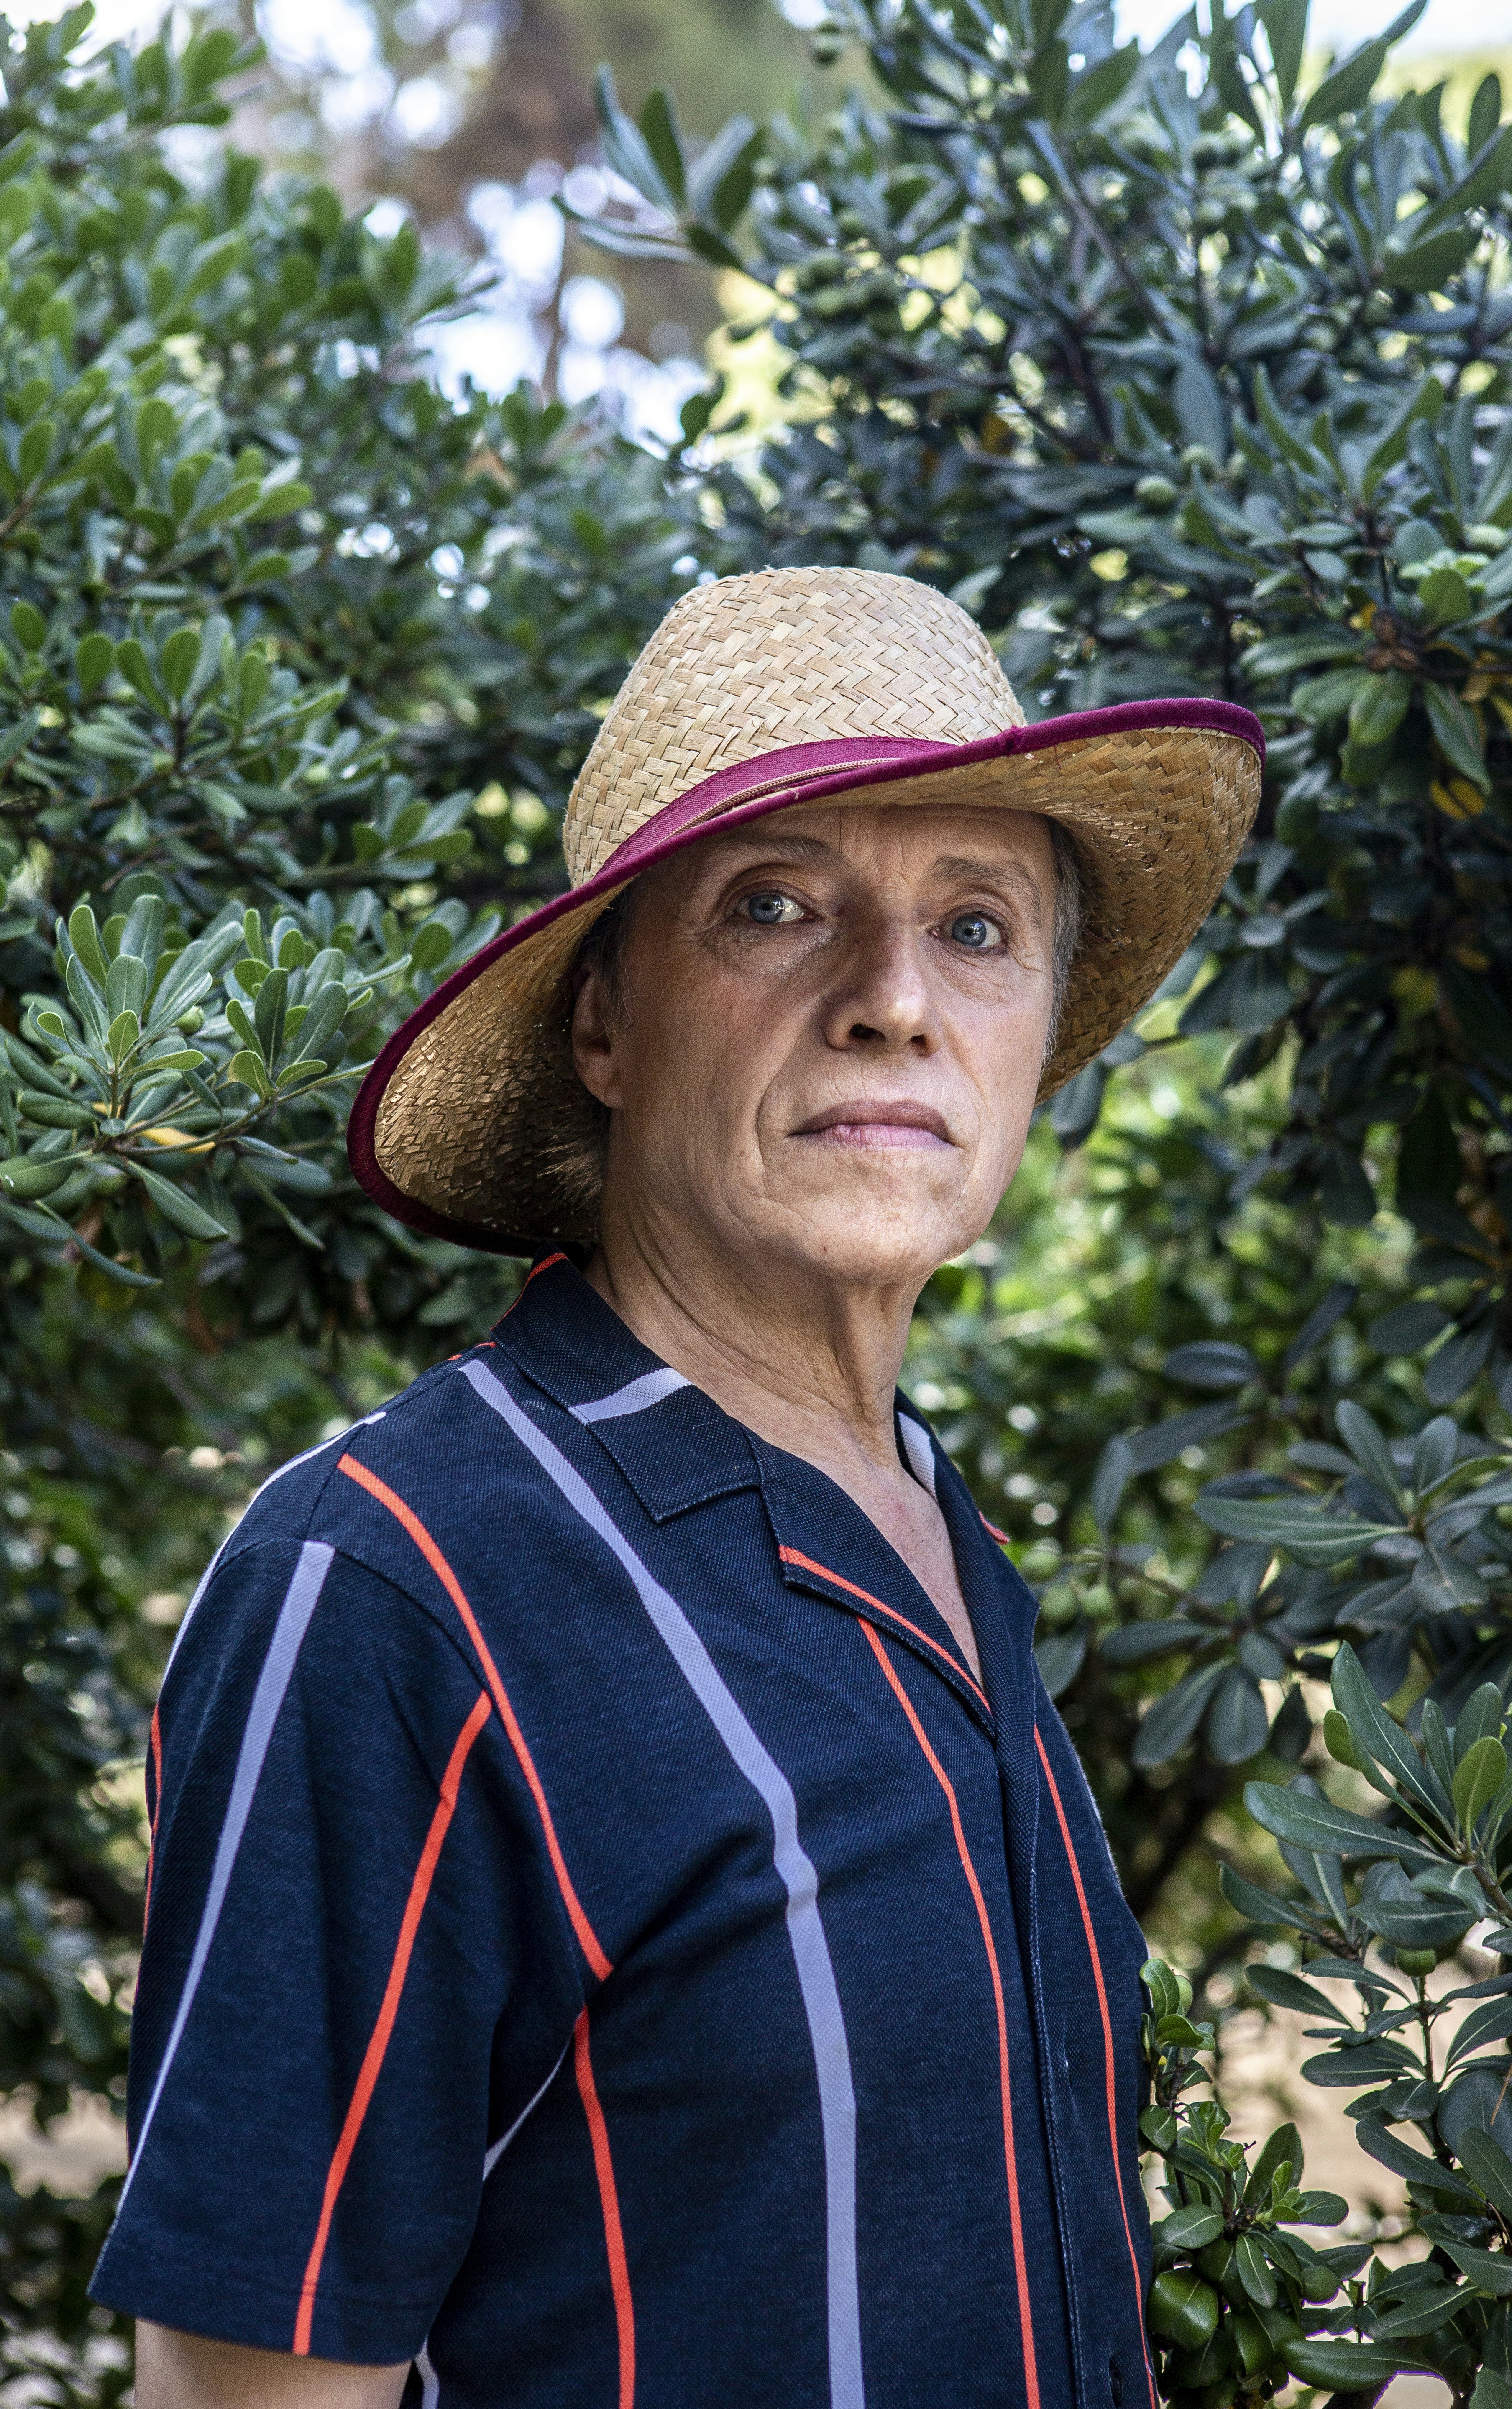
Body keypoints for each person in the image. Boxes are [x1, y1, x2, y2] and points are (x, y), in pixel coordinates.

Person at [96, 568, 1261, 2408]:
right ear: (606, 1027)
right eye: (777, 905)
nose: (893, 1001)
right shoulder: (394, 1584)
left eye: (977, 927)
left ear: (1040, 1037)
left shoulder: (938, 1533)